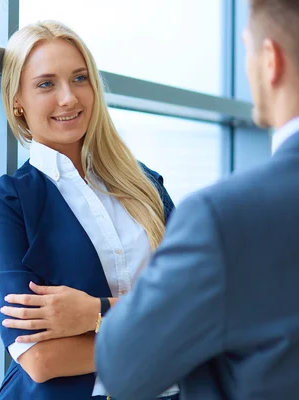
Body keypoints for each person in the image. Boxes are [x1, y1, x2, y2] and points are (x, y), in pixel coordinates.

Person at [88, 0, 299, 398]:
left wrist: (98, 309)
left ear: (270, 60)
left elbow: (122, 366)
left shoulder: (223, 218)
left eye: (247, 49)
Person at [0, 20, 178, 399]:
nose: (68, 98)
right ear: (17, 100)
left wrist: (94, 313)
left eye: (79, 79)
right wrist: (159, 339)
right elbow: (40, 358)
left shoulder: (146, 186)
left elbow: (196, 305)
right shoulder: (10, 203)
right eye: (46, 84)